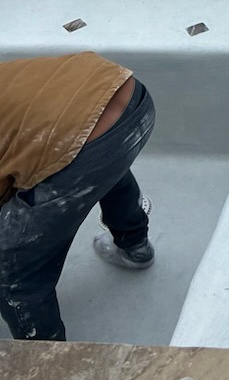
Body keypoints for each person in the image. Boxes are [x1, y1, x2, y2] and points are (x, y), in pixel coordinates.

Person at [0, 52, 156, 341]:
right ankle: (135, 246)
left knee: (13, 276)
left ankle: (47, 367)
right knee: (100, 166)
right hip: (129, 94)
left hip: (83, 137)